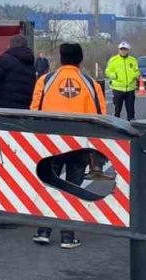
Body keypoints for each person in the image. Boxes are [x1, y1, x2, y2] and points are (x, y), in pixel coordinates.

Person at [30, 42, 106, 249]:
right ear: (80, 59)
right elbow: (101, 117)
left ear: (60, 58)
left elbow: (34, 111)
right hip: (78, 145)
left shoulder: (45, 81)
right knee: (72, 188)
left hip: (51, 144)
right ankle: (67, 236)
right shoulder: (91, 84)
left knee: (50, 184)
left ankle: (43, 231)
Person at [105, 41, 139, 120]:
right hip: (118, 89)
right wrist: (115, 75)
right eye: (121, 49)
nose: (123, 51)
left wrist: (134, 76)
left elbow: (137, 71)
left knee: (131, 111)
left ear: (128, 50)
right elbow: (108, 72)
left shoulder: (133, 60)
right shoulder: (113, 60)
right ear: (119, 50)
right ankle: (116, 126)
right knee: (117, 111)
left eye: (125, 49)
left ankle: (131, 124)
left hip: (130, 89)